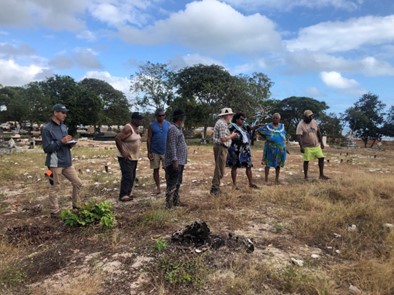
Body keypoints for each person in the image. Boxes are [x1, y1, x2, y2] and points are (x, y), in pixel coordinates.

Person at [42, 104, 83, 217]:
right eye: (63, 112)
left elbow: (64, 144)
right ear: (55, 113)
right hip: (54, 163)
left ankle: (76, 205)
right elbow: (46, 148)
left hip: (67, 162)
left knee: (78, 183)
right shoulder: (47, 129)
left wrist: (70, 144)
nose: (65, 115)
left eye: (66, 113)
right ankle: (54, 211)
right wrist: (61, 141)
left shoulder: (64, 127)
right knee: (55, 186)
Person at [115, 112, 144, 202]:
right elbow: (117, 138)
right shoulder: (128, 128)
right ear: (133, 119)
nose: (140, 121)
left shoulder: (136, 129)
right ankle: (123, 195)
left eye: (141, 119)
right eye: (139, 120)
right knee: (127, 175)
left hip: (134, 157)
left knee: (132, 176)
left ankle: (129, 193)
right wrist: (123, 152)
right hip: (126, 157)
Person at [226, 112, 258, 189]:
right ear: (236, 119)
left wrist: (258, 126)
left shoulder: (245, 126)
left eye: (244, 119)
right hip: (235, 149)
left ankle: (250, 183)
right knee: (234, 166)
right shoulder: (231, 126)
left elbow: (251, 128)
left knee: (248, 166)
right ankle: (234, 185)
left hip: (245, 149)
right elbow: (227, 135)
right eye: (241, 119)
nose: (243, 121)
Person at [210, 107, 237, 196]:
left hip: (221, 147)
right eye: (230, 115)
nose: (231, 116)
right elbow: (223, 139)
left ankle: (216, 188)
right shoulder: (222, 124)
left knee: (220, 168)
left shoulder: (222, 123)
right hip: (221, 147)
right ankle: (215, 189)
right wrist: (232, 136)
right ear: (226, 115)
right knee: (219, 168)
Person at [296, 110, 329, 180]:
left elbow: (318, 132)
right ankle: (305, 176)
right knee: (306, 161)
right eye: (309, 116)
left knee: (321, 158)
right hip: (307, 146)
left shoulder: (314, 122)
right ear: (305, 117)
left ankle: (321, 175)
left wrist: (322, 143)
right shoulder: (300, 125)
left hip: (316, 145)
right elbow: (299, 136)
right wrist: (301, 147)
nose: (311, 118)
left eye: (311, 116)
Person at [164, 109, 187, 209]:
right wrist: (174, 160)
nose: (184, 120)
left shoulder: (178, 129)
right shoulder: (173, 129)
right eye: (183, 118)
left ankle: (176, 201)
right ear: (180, 118)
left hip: (180, 160)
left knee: (178, 182)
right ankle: (169, 205)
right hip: (175, 161)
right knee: (172, 183)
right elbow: (171, 145)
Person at [147, 108, 170, 195]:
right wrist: (149, 152)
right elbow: (149, 139)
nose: (161, 117)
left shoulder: (168, 124)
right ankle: (158, 188)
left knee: (167, 169)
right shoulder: (152, 125)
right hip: (154, 151)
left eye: (163, 115)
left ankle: (168, 187)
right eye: (159, 115)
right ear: (156, 116)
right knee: (155, 170)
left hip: (166, 151)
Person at [258, 113, 287, 184]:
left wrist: (285, 146)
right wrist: (266, 137)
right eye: (274, 118)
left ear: (279, 119)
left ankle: (277, 179)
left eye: (276, 118)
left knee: (278, 164)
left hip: (280, 149)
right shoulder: (268, 126)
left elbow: (284, 135)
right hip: (270, 148)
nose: (275, 119)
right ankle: (266, 179)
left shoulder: (282, 126)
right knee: (268, 164)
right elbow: (259, 130)